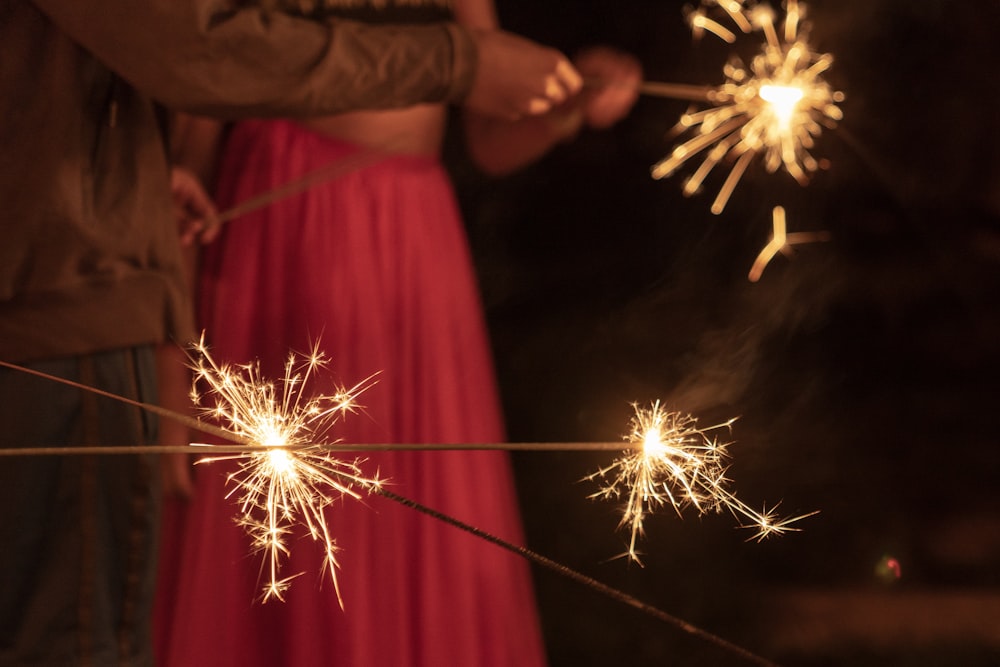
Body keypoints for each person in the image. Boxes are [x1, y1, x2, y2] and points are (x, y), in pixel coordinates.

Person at [0, 2, 586, 665]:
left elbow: (492, 113)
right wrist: (173, 341)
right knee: (262, 545)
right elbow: (195, 57)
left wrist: (561, 99)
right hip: (256, 241)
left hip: (406, 247)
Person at [153, 2, 642, 665]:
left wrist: (567, 104)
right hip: (284, 225)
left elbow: (491, 135)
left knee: (413, 517)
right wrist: (171, 361)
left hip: (413, 238)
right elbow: (198, 116)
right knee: (300, 521)